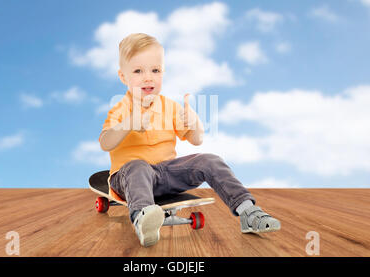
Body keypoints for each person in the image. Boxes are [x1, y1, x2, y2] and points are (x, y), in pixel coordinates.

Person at [99, 33, 281, 247]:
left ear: (163, 73)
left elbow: (197, 140)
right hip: (129, 178)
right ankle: (143, 218)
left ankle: (248, 212)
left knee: (210, 160)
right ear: (123, 76)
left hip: (166, 173)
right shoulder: (120, 109)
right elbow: (105, 142)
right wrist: (128, 124)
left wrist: (195, 123)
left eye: (155, 70)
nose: (148, 77)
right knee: (138, 166)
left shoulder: (171, 107)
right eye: (138, 71)